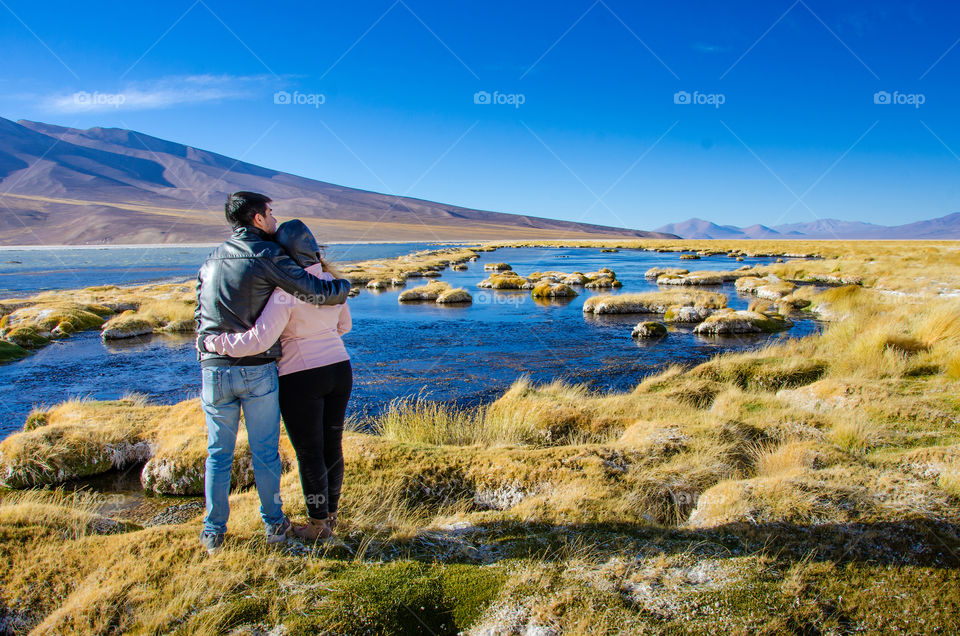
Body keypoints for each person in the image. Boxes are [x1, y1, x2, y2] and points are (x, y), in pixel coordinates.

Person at [195, 192, 351, 554]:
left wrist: (213, 344)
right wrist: (333, 308)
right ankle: (317, 519)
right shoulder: (327, 281)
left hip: (294, 375)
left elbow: (261, 335)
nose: (273, 219)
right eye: (270, 213)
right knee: (327, 446)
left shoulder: (276, 288)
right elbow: (344, 325)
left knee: (300, 452)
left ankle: (311, 525)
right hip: (338, 369)